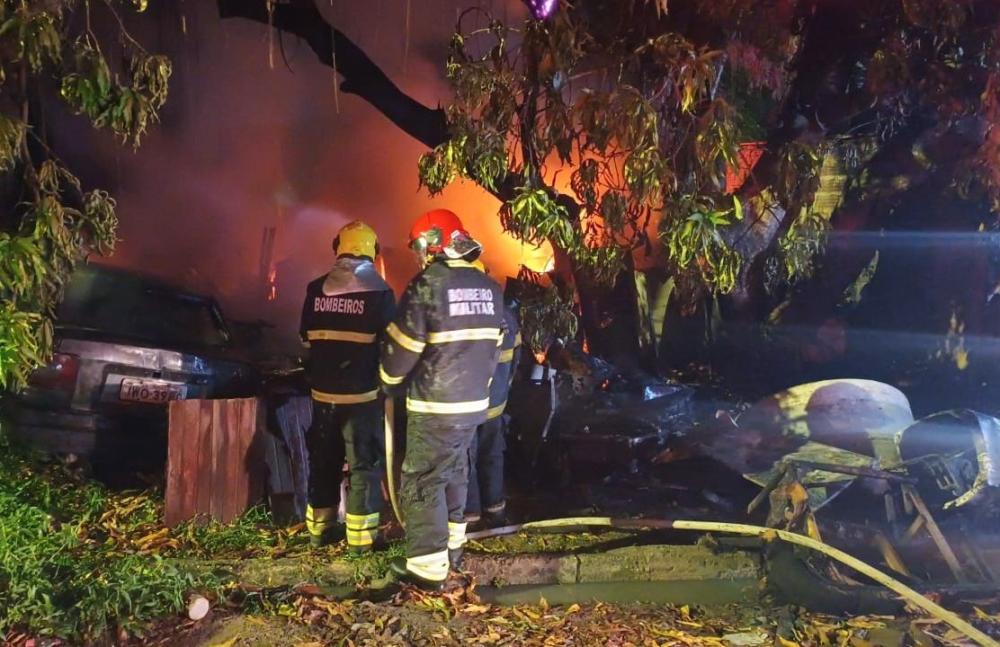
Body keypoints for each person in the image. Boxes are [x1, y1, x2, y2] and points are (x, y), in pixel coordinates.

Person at [379, 209, 504, 590]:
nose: (420, 253)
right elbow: (494, 347)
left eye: (420, 245)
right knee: (454, 474)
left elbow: (401, 350)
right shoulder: (489, 287)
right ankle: (452, 551)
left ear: (435, 242)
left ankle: (427, 568)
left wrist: (388, 379)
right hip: (472, 406)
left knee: (421, 481)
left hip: (435, 405)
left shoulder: (427, 286)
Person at [299, 220, 395, 552]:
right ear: (371, 250)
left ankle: (320, 532)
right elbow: (392, 347)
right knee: (363, 466)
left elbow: (306, 340)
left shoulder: (315, 290)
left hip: (322, 397)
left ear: (338, 247)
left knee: (323, 462)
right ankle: (362, 541)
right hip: (362, 398)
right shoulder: (381, 293)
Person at [465, 260, 520, 527]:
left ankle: (471, 514)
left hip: (468, 403)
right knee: (492, 453)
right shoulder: (507, 314)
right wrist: (503, 388)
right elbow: (515, 361)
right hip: (496, 401)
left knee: (467, 457)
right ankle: (496, 509)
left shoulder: (465, 313)